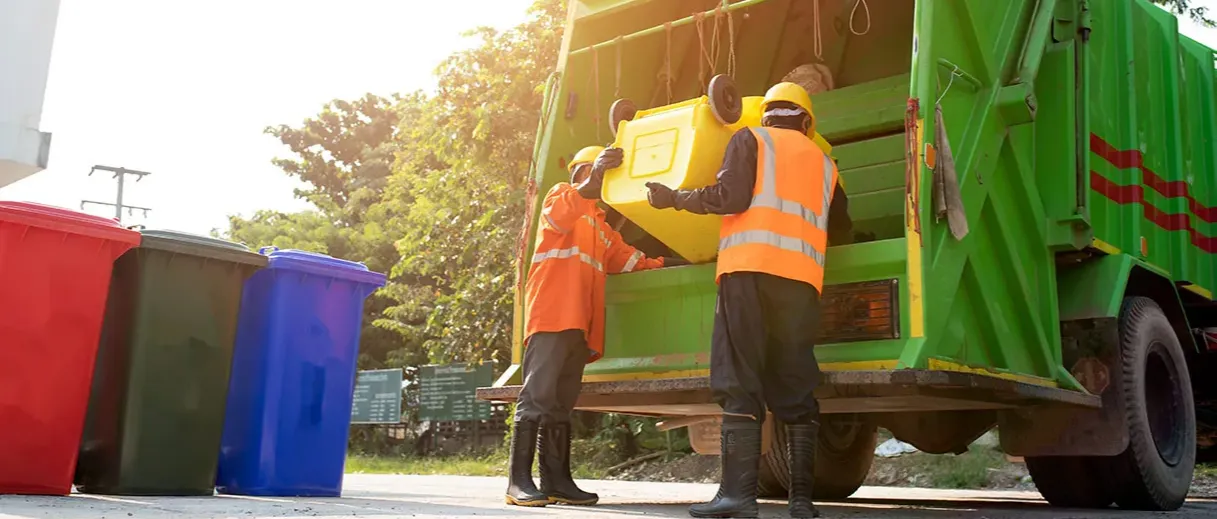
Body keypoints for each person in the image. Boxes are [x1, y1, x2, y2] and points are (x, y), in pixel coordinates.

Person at [645, 82, 851, 519]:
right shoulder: (827, 165)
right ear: (807, 121)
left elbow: (730, 198)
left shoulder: (750, 139)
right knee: (796, 383)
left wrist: (672, 199)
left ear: (767, 114)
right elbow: (843, 230)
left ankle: (738, 496)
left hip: (748, 272)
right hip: (800, 282)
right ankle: (801, 500)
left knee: (738, 378)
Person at [506, 145, 686, 507]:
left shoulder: (602, 229)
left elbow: (635, 262)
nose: (598, 179)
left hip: (577, 326)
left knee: (560, 404)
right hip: (552, 315)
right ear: (582, 172)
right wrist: (593, 178)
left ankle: (557, 482)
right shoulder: (561, 196)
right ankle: (517, 483)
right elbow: (561, 215)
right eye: (593, 171)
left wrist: (680, 261)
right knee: (537, 398)